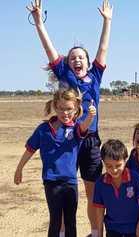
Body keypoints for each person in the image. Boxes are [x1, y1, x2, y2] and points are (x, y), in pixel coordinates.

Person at [27, 0, 113, 235]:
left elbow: (103, 49)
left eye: (81, 57)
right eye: (73, 57)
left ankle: (96, 232)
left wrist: (107, 21)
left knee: (91, 191)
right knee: (65, 188)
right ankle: (63, 231)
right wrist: (38, 23)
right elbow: (49, 49)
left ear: (87, 61)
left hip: (90, 139)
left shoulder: (95, 75)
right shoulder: (64, 75)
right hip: (67, 138)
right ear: (68, 62)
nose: (77, 60)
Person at [14, 88, 96, 237]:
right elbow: (30, 150)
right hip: (52, 182)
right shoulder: (43, 130)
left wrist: (90, 116)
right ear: (55, 107)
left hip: (70, 182)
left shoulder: (76, 129)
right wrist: (19, 169)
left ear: (76, 108)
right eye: (61, 109)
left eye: (69, 109)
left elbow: (84, 127)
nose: (65, 113)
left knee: (71, 220)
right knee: (56, 220)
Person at [93, 139, 139, 237]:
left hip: (133, 229)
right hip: (112, 229)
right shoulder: (100, 184)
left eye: (118, 165)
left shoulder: (134, 178)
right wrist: (99, 234)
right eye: (109, 166)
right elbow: (99, 211)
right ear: (103, 162)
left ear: (125, 160)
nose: (114, 170)